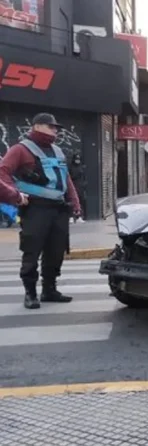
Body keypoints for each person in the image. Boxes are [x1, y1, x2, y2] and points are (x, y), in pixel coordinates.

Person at [0, 113, 82, 309]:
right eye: (51, 127)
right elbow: (2, 173)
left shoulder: (58, 151)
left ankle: (49, 290)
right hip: (35, 208)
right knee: (32, 251)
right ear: (37, 126)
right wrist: (16, 196)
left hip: (59, 209)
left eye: (56, 127)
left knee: (55, 252)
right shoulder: (20, 149)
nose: (55, 130)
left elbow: (66, 179)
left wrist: (75, 202)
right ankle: (30, 293)